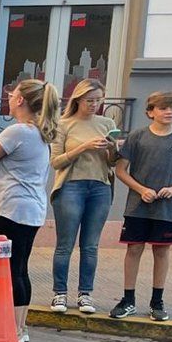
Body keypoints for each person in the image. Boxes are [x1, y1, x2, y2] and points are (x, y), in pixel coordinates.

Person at [0, 79, 59, 342]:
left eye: (12, 95)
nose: (9, 99)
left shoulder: (17, 132)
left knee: (8, 270)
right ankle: (19, 327)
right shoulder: (39, 132)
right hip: (31, 208)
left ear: (21, 100)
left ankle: (11, 328)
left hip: (11, 208)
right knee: (20, 268)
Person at [110, 91, 172, 322]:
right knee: (133, 249)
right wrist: (141, 189)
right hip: (138, 207)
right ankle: (128, 300)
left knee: (162, 251)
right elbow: (121, 170)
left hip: (167, 207)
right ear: (150, 112)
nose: (169, 112)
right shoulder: (137, 137)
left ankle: (157, 302)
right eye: (163, 108)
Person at [49, 79, 117, 315]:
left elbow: (113, 163)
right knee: (65, 244)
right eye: (90, 100)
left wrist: (111, 149)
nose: (94, 105)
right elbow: (56, 162)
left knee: (90, 246)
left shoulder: (107, 123)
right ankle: (59, 293)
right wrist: (84, 147)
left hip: (100, 186)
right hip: (71, 186)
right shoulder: (63, 124)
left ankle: (85, 294)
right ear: (77, 99)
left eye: (98, 100)